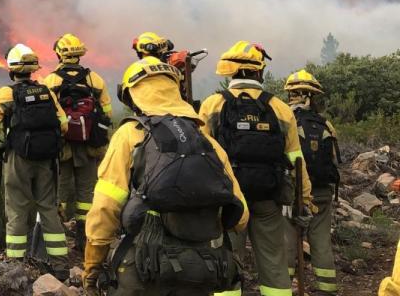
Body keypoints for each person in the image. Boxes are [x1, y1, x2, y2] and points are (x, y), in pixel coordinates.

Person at [83, 56, 249, 296]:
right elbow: (241, 215)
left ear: (132, 96)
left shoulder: (129, 135)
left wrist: (92, 267)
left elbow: (105, 208)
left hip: (145, 268)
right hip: (202, 270)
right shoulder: (205, 139)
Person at [198, 41, 314, 296]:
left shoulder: (212, 105)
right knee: (273, 260)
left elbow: (201, 156)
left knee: (226, 260)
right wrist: (304, 200)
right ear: (259, 72)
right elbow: (296, 160)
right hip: (268, 198)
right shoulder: (280, 108)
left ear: (229, 72)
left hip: (227, 200)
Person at [0, 44, 70, 274]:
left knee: (16, 208)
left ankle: (15, 266)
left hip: (19, 159)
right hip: (47, 160)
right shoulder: (46, 91)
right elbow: (63, 125)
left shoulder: (7, 93)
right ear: (33, 70)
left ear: (12, 70)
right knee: (48, 208)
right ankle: (61, 266)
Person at [43, 33, 112, 249]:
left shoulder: (51, 80)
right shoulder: (95, 80)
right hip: (89, 146)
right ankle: (85, 236)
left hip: (62, 146)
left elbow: (47, 113)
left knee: (60, 191)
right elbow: (106, 112)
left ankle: (59, 232)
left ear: (59, 54)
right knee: (86, 192)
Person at [284, 69, 340, 295]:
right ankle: (327, 289)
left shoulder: (285, 119)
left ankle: (283, 289)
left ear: (292, 95)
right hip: (322, 194)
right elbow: (334, 160)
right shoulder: (326, 125)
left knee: (287, 243)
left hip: (291, 193)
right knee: (321, 242)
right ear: (312, 96)